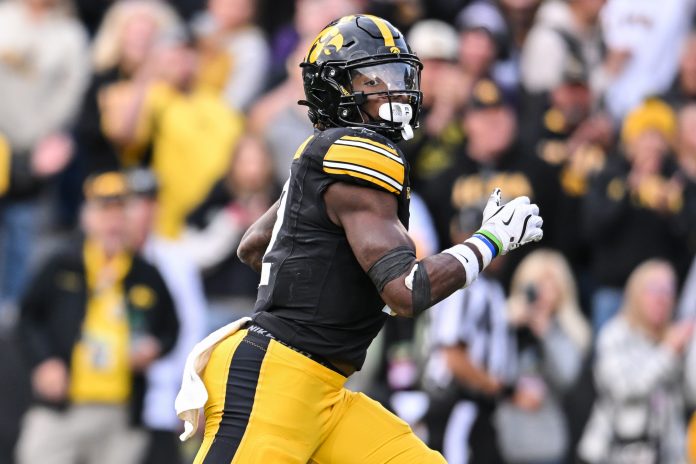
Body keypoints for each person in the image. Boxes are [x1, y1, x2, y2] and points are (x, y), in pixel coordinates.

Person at [185, 14, 543, 463]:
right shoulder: (357, 158)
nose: (395, 89)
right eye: (375, 79)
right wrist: (491, 240)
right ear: (336, 91)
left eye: (397, 75)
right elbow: (407, 291)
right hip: (278, 381)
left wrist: (328, 271)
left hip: (325, 389)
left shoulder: (321, 162)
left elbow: (256, 245)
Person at [15, 171, 179, 464]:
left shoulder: (145, 274)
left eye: (120, 213)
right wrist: (44, 361)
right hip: (62, 407)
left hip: (120, 411)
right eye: (104, 212)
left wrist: (155, 347)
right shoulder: (62, 265)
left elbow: (171, 327)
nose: (112, 223)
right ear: (87, 217)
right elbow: (28, 317)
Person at [126, 169, 207, 464]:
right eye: (133, 202)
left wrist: (186, 393)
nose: (141, 212)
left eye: (148, 202)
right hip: (108, 394)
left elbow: (191, 328)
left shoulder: (175, 260)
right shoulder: (99, 257)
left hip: (161, 394)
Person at [579, 260, 693, 464]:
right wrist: (668, 351)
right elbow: (626, 388)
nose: (662, 298)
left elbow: (691, 393)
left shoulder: (675, 337)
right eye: (654, 290)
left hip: (668, 454)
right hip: (617, 453)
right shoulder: (615, 334)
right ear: (635, 293)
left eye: (668, 290)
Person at [496, 249, 591, 464]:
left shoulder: (569, 330)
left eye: (552, 286)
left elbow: (568, 376)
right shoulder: (503, 320)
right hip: (502, 436)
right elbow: (484, 369)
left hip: (546, 442)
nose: (545, 294)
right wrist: (505, 325)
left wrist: (546, 332)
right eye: (539, 285)